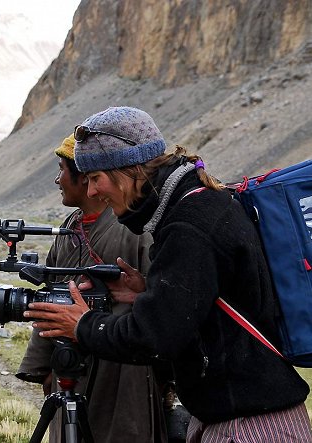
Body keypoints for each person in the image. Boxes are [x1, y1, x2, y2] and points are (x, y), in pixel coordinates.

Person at [24, 106, 312, 442]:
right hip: (243, 418)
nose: (91, 193)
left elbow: (153, 337)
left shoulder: (189, 225)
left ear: (128, 169)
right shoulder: (196, 205)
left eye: (95, 178)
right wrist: (148, 291)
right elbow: (208, 301)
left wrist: (82, 325)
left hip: (247, 428)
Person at [16, 133, 168, 442]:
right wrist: (44, 366)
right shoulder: (69, 228)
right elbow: (52, 298)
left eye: (62, 169)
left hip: (124, 372)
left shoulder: (136, 228)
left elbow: (162, 304)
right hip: (69, 365)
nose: (57, 180)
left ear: (86, 175)